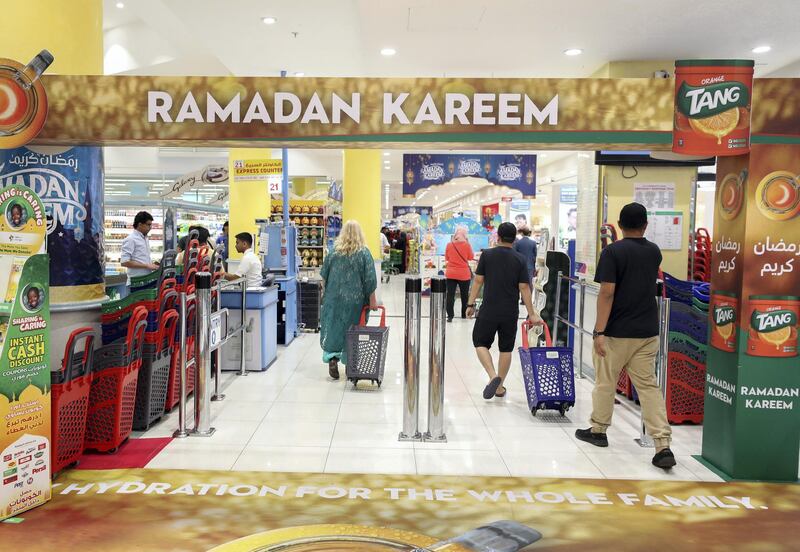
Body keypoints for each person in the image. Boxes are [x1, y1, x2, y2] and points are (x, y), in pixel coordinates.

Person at [575, 203, 675, 470]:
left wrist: (599, 331)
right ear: (645, 225)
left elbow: (607, 292)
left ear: (619, 225)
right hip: (646, 331)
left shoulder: (612, 252)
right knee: (648, 388)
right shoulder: (653, 251)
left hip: (617, 332)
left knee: (605, 382)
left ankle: (598, 430)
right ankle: (662, 444)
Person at [466, 222, 542, 399]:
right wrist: (531, 313)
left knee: (480, 342)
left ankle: (493, 376)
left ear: (498, 237)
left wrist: (470, 304)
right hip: (510, 311)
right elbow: (524, 287)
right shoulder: (520, 259)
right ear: (514, 239)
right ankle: (499, 387)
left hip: (489, 309)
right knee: (505, 348)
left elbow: (478, 281)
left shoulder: (487, 255)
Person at [319, 220, 378, 380]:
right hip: (355, 300)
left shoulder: (333, 252)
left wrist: (327, 294)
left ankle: (332, 358)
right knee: (354, 330)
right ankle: (351, 364)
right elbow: (370, 280)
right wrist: (373, 301)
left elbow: (323, 276)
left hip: (334, 299)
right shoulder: (364, 253)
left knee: (333, 328)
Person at [444, 227, 474, 322]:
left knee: (450, 295)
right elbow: (470, 257)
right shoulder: (467, 245)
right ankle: (464, 314)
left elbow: (447, 258)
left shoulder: (449, 244)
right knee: (464, 295)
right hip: (464, 274)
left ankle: (450, 316)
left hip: (451, 273)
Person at [120, 211, 159, 277]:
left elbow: (140, 259)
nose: (150, 227)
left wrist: (152, 264)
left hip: (146, 279)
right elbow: (124, 262)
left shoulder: (145, 238)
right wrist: (147, 266)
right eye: (148, 224)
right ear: (140, 224)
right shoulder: (131, 239)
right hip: (135, 281)